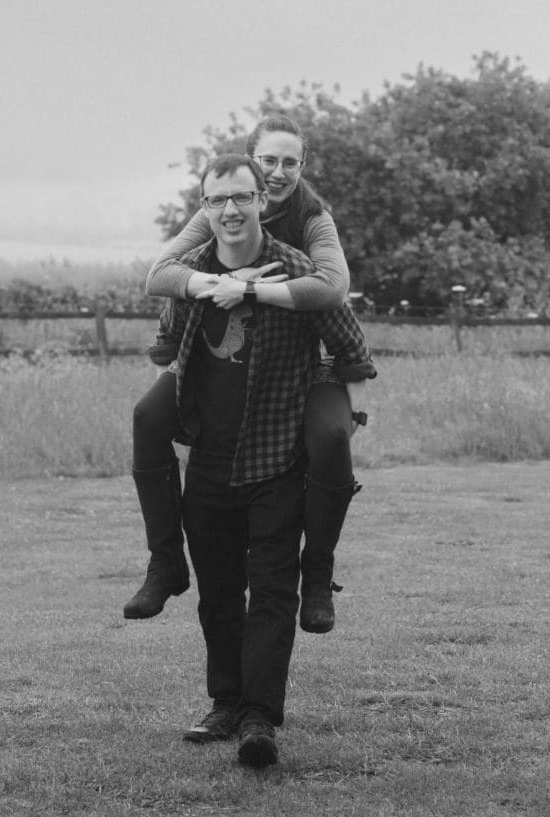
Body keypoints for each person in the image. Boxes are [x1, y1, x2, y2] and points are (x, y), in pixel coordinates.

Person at [162, 153, 374, 766]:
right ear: (204, 209)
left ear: (262, 200)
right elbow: (163, 347)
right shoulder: (192, 273)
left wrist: (322, 390)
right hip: (208, 463)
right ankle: (224, 704)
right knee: (219, 593)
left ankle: (260, 718)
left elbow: (353, 347)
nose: (230, 210)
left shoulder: (299, 269)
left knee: (273, 592)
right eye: (216, 200)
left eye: (241, 197)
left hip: (277, 459)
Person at [124, 114, 363, 634]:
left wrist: (252, 290)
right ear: (250, 162)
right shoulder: (222, 206)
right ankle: (165, 560)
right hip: (217, 358)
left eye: (289, 162)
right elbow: (161, 273)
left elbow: (332, 288)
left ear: (303, 165)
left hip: (300, 360)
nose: (277, 173)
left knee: (329, 439)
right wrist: (223, 280)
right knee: (147, 417)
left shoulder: (314, 218)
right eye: (267, 161)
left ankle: (317, 570)